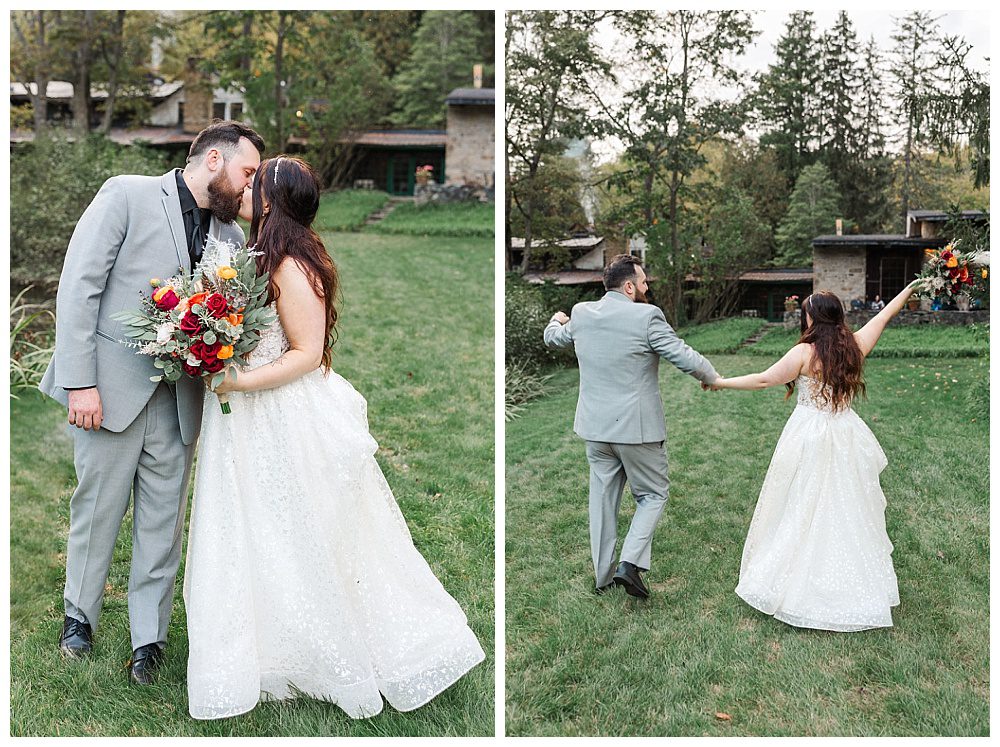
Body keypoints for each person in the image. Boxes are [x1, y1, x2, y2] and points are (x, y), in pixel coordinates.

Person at [183, 156, 485, 720]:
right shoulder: (263, 255)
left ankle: (340, 648)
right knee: (261, 531)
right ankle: (271, 648)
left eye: (255, 181)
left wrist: (238, 380)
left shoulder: (293, 265)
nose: (244, 187)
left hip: (283, 414)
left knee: (303, 533)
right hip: (252, 415)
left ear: (271, 200)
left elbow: (306, 352)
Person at [38, 121, 265, 683]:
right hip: (108, 392)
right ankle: (79, 617)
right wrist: (79, 383)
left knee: (164, 523)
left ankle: (149, 639)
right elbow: (79, 285)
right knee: (97, 511)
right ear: (214, 160)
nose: (249, 186)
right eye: (247, 172)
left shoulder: (231, 239)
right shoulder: (127, 194)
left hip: (181, 401)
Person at [709, 281, 922, 631]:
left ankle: (804, 581)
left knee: (802, 502)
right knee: (846, 505)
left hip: (809, 434)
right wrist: (911, 288)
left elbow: (764, 381)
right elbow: (887, 313)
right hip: (845, 433)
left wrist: (721, 382)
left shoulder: (804, 354)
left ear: (812, 318)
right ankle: (849, 578)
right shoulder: (854, 345)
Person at [543, 254, 720, 598]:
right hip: (636, 431)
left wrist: (555, 318)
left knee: (602, 501)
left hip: (595, 430)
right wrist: (712, 377)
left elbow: (553, 338)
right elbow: (682, 354)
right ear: (628, 287)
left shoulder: (581, 314)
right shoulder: (647, 316)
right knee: (652, 495)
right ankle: (629, 564)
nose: (646, 287)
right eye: (643, 282)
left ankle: (602, 578)